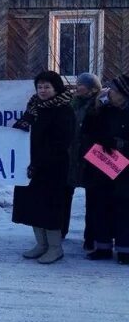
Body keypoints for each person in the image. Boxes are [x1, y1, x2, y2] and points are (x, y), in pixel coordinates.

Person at [11, 70, 75, 264]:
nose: (43, 90)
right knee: (32, 205)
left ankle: (55, 247)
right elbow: (23, 131)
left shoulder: (63, 110)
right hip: (30, 166)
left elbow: (61, 141)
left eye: (47, 87)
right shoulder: (34, 108)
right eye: (40, 87)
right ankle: (41, 244)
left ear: (56, 88)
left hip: (52, 167)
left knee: (49, 207)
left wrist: (40, 161)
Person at [80, 74, 129, 264]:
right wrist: (94, 111)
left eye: (114, 91)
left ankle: (125, 249)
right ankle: (103, 247)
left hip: (125, 170)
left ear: (124, 94)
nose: (110, 93)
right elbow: (88, 131)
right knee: (100, 207)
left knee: (124, 209)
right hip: (102, 166)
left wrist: (121, 144)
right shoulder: (104, 110)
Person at [68, 72, 102, 249]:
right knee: (66, 194)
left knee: (93, 200)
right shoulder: (73, 105)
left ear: (92, 89)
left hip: (92, 158)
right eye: (78, 83)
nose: (77, 87)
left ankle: (91, 237)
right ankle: (60, 231)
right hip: (73, 156)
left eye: (82, 84)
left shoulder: (98, 107)